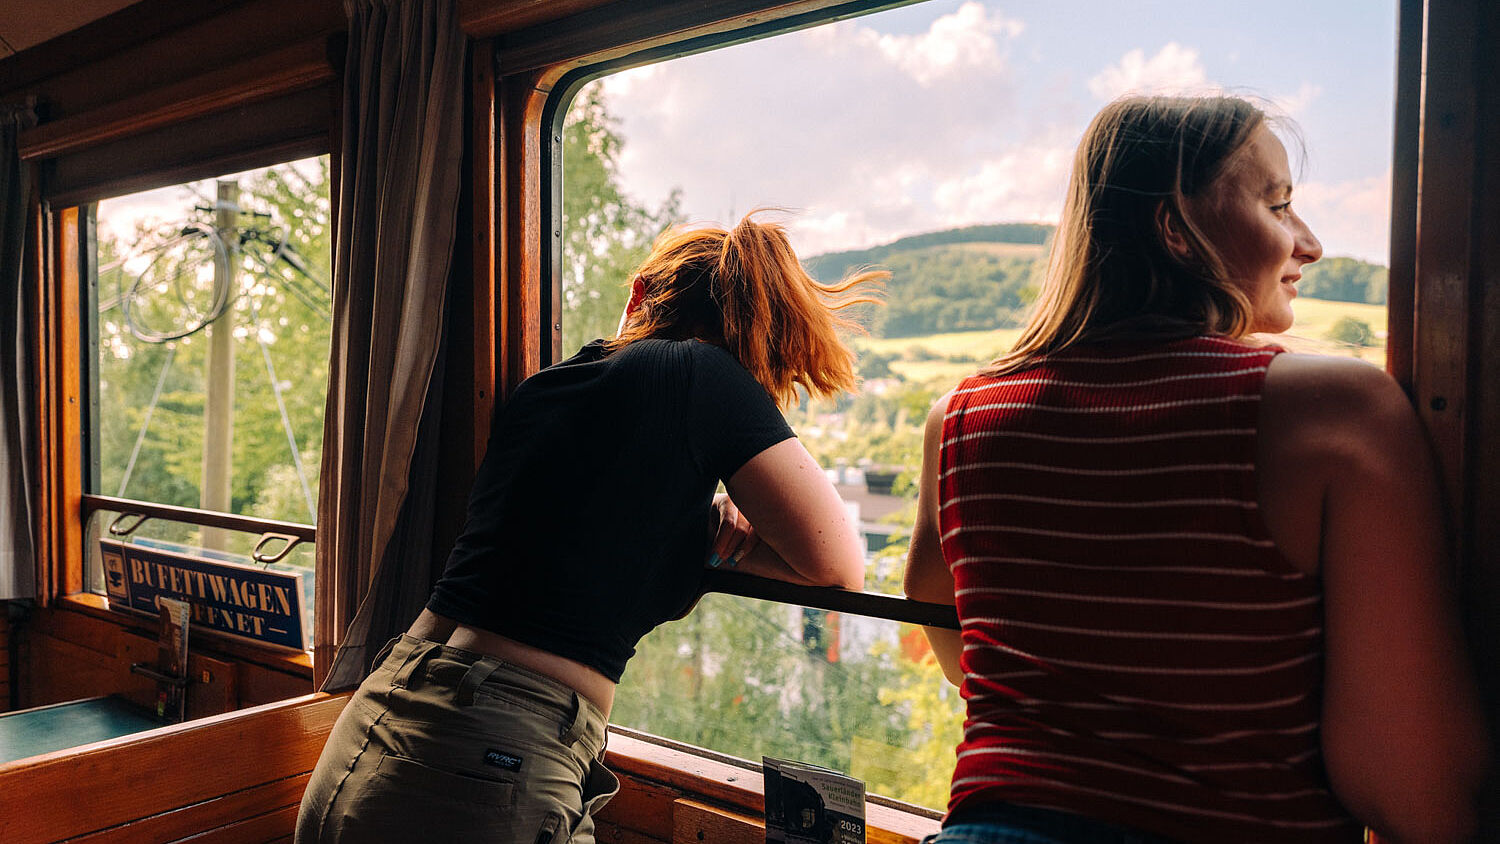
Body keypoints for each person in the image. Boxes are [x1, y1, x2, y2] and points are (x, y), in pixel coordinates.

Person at [903, 96, 1488, 844]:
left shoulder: (959, 417)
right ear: (1175, 230)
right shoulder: (1335, 413)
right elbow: (1412, 789)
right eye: (1278, 205)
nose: (1309, 243)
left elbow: (954, 642)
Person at [296, 213, 881, 843]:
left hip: (377, 720)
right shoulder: (707, 376)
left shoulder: (546, 389)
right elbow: (838, 564)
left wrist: (703, 515)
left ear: (640, 295)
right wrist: (723, 513)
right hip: (492, 755)